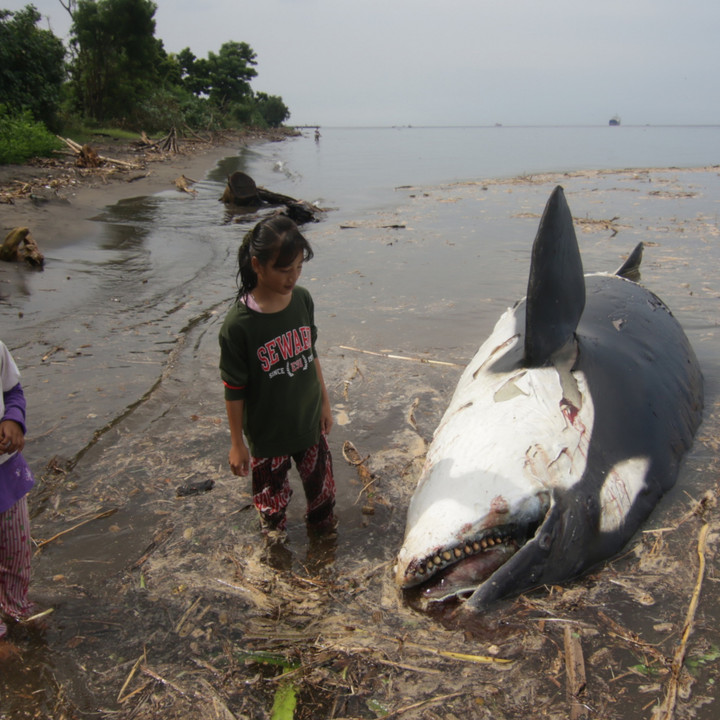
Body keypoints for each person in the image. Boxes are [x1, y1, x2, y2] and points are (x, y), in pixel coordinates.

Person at [219, 215, 336, 537]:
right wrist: (237, 443)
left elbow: (310, 353)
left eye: (298, 267)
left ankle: (324, 550)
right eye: (284, 270)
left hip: (309, 422)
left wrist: (325, 403)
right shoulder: (238, 325)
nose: (293, 277)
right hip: (268, 436)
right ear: (257, 265)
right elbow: (234, 387)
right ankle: (276, 557)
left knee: (324, 502)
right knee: (271, 515)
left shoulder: (302, 300)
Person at [0, 340, 35, 643]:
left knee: (16, 552)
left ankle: (15, 606)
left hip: (6, 474)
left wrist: (13, 418)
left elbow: (12, 391)